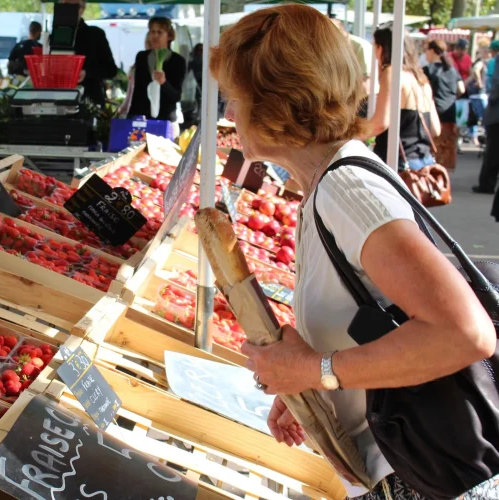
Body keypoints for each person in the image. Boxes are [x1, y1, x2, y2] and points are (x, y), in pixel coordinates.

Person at [209, 5, 496, 498]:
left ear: (277, 103)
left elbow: (465, 334)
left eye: (236, 98)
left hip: (417, 478)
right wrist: (317, 381)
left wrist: (313, 371)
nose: (229, 114)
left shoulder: (345, 191)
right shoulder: (327, 185)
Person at [365, 24, 440, 170]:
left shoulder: (392, 73)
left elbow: (381, 123)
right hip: (423, 162)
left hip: (398, 166)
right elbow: (435, 129)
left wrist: (351, 136)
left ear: (381, 48)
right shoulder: (420, 78)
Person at [127, 17, 186, 135]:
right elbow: (137, 91)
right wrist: (130, 116)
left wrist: (164, 83)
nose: (155, 36)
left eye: (160, 32)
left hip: (165, 120)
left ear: (169, 36)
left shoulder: (178, 61)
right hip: (142, 119)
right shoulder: (142, 57)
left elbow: (176, 95)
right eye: (152, 32)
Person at [62, 0, 117, 105]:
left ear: (82, 9)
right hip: (61, 100)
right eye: (66, 6)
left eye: (75, 7)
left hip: (90, 100)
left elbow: (111, 70)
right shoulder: (53, 37)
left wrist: (86, 73)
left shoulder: (95, 34)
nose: (70, 10)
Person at [424, 39, 463, 170]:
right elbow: (461, 89)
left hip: (434, 115)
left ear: (431, 50)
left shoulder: (427, 70)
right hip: (450, 115)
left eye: (426, 51)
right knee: (446, 151)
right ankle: (443, 178)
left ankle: (434, 177)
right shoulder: (452, 70)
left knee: (432, 150)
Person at [475, 43, 499, 194]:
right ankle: (486, 183)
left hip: (496, 114)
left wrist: (492, 99)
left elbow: (496, 86)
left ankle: (487, 184)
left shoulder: (497, 60)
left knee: (493, 152)